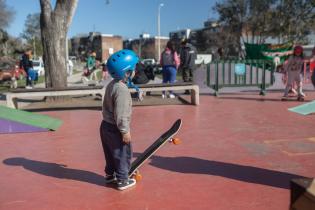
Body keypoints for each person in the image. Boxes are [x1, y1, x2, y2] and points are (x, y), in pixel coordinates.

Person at [100, 49, 138, 191]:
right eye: (133, 68)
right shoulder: (122, 90)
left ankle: (110, 175)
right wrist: (124, 131)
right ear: (127, 72)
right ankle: (122, 180)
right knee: (122, 153)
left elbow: (114, 101)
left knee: (110, 153)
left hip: (105, 126)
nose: (135, 71)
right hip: (116, 128)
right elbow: (121, 114)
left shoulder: (113, 84)